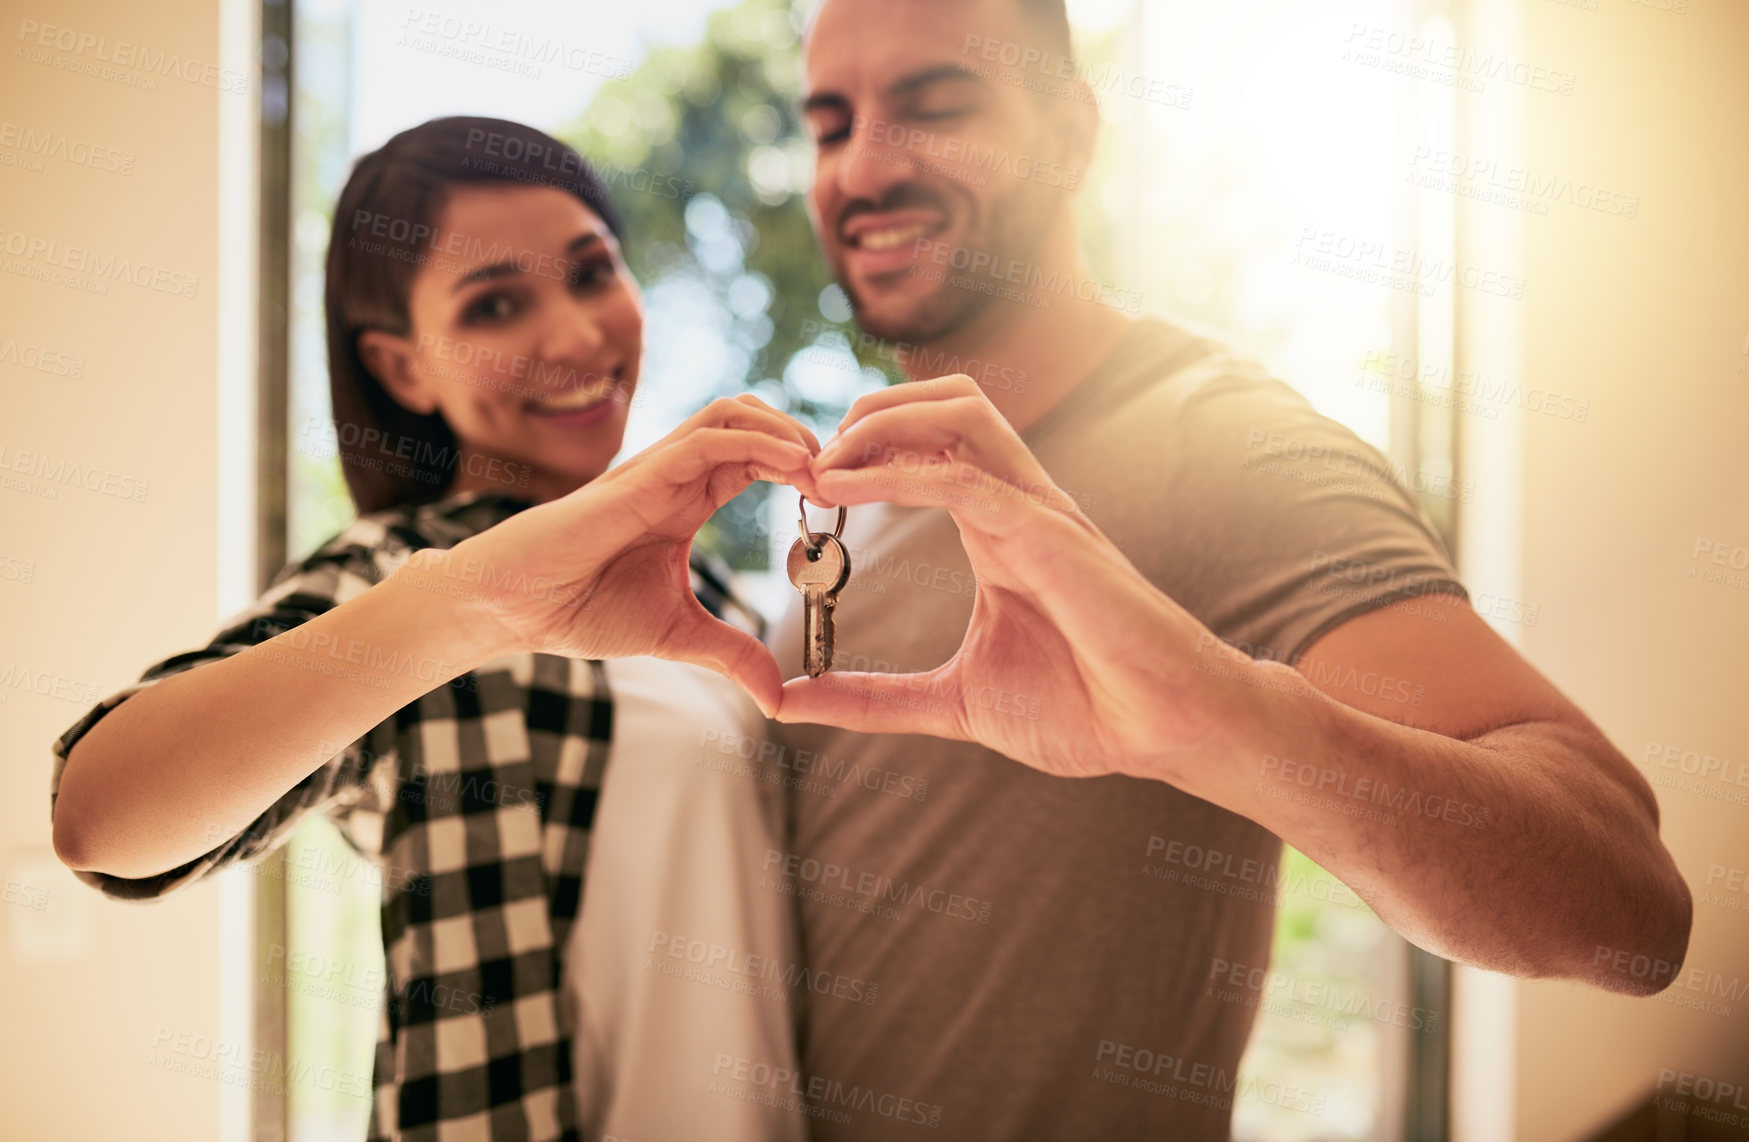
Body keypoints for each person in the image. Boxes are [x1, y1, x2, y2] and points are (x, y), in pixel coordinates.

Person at [763, 1, 1694, 1138]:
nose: (864, 165)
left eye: (934, 104)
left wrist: (1219, 714)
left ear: (1066, 136)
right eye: (828, 123)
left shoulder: (1221, 437)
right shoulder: (867, 507)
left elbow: (1629, 906)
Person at [49, 117, 826, 1142]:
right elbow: (102, 817)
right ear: (402, 368)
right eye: (496, 302)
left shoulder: (720, 598)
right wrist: (463, 604)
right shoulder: (399, 577)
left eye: (593, 272)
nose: (578, 336)